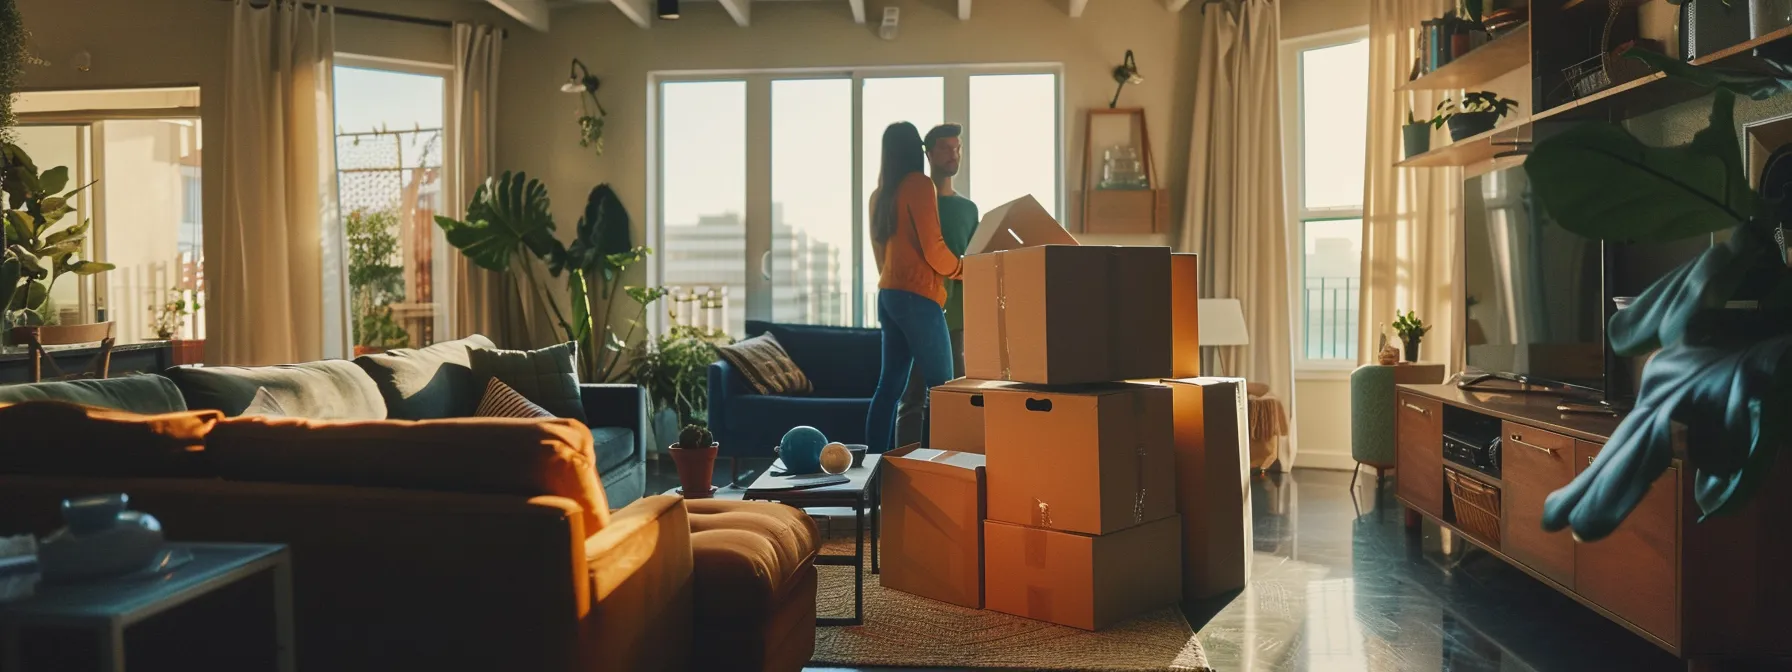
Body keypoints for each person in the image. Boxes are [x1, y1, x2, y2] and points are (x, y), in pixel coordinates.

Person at [864, 121, 962, 454]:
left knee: (889, 388)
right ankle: (945, 471)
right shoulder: (918, 185)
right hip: (918, 297)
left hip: (889, 295)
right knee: (945, 389)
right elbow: (934, 248)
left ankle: (874, 472)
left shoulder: (879, 194)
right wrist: (963, 269)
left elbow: (880, 257)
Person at [893, 123, 979, 446]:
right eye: (945, 148)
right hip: (920, 313)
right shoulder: (917, 199)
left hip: (956, 319)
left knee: (953, 400)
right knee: (912, 400)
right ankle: (905, 471)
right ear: (928, 153)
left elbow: (976, 261)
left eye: (957, 148)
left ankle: (950, 472)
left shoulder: (969, 210)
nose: (953, 154)